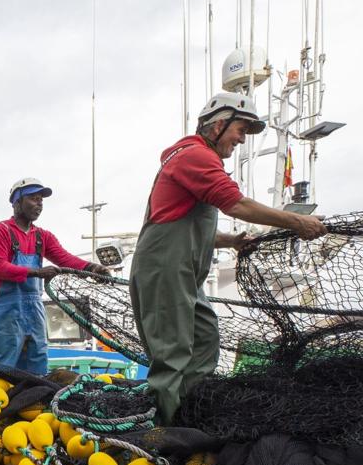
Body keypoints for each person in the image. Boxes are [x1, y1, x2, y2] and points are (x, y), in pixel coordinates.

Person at [130, 92, 328, 423]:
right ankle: (159, 438)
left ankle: (188, 414)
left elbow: (182, 223)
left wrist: (230, 240)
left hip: (182, 273)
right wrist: (298, 222)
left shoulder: (193, 159)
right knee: (172, 353)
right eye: (239, 130)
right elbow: (237, 204)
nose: (241, 140)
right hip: (165, 270)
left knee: (205, 335)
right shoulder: (194, 156)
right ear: (218, 125)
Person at [0, 178, 109, 376]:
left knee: (37, 367)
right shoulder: (0, 231)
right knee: (1, 370)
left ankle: (32, 404)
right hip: (4, 311)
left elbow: (64, 258)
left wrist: (92, 268)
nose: (39, 204)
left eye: (41, 200)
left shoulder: (42, 236)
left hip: (34, 311)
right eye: (33, 198)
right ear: (16, 202)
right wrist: (36, 272)